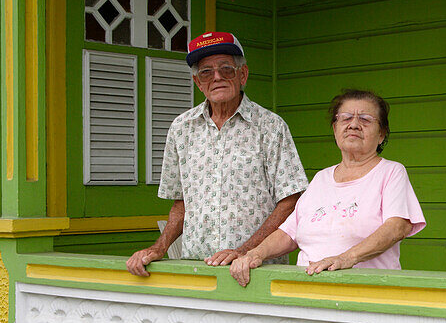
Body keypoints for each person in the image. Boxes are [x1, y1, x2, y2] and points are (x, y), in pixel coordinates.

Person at [126, 32, 309, 276]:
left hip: (257, 270)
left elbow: (290, 201)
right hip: (197, 269)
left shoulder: (270, 127)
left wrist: (245, 251)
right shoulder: (181, 129)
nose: (217, 77)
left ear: (242, 75)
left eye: (226, 69)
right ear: (197, 82)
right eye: (206, 72)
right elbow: (180, 204)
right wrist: (160, 247)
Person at [230, 89, 425, 287]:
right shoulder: (321, 178)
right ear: (335, 129)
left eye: (365, 119)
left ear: (381, 134)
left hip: (366, 292)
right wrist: (255, 254)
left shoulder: (391, 172)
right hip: (308, 292)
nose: (354, 125)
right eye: (345, 118)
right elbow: (289, 233)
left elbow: (396, 227)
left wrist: (345, 259)